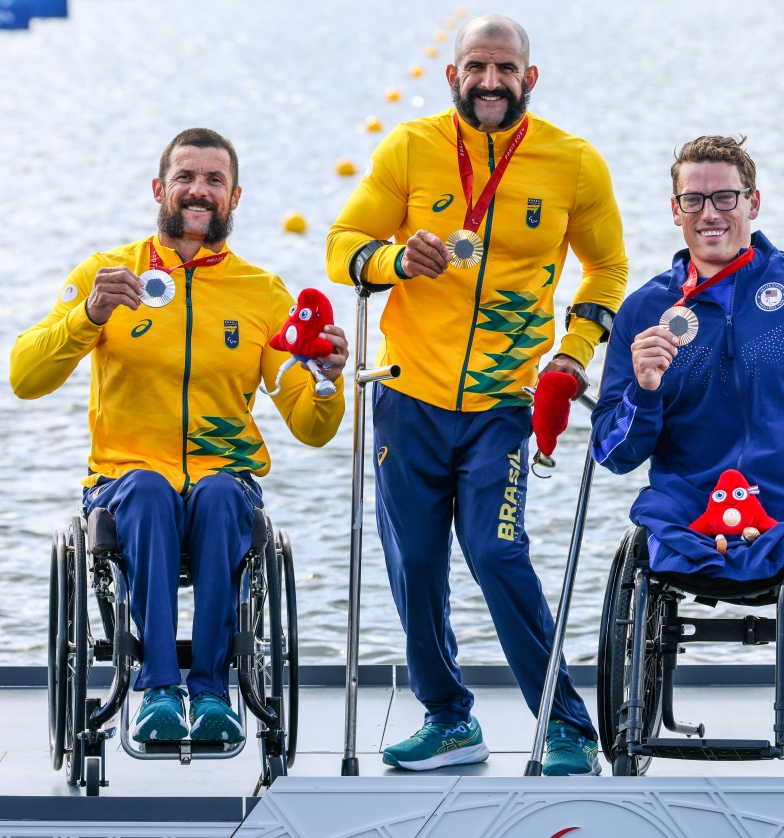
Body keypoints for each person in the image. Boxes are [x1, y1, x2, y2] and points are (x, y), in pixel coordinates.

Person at [327, 15, 628, 775]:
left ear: (530, 78)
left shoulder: (573, 162)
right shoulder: (409, 147)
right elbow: (342, 247)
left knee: (497, 552)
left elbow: (607, 271)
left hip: (502, 405)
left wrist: (574, 352)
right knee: (417, 564)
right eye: (475, 67)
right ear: (452, 74)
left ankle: (567, 726)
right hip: (408, 399)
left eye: (504, 69)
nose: (489, 82)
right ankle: (449, 719)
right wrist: (395, 259)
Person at [10, 128, 348, 744]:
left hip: (223, 484)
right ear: (160, 188)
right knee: (146, 491)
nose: (199, 191)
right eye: (186, 177)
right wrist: (87, 318)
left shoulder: (262, 294)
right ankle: (159, 689)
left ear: (235, 197)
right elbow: (25, 378)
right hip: (125, 484)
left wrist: (327, 381)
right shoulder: (109, 274)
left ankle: (213, 693)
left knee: (221, 495)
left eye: (214, 180)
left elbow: (311, 426)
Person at [591, 135, 784, 600]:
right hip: (687, 516)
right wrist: (644, 391)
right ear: (675, 209)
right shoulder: (644, 312)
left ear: (752, 202)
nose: (709, 213)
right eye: (693, 200)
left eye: (725, 197)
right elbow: (614, 455)